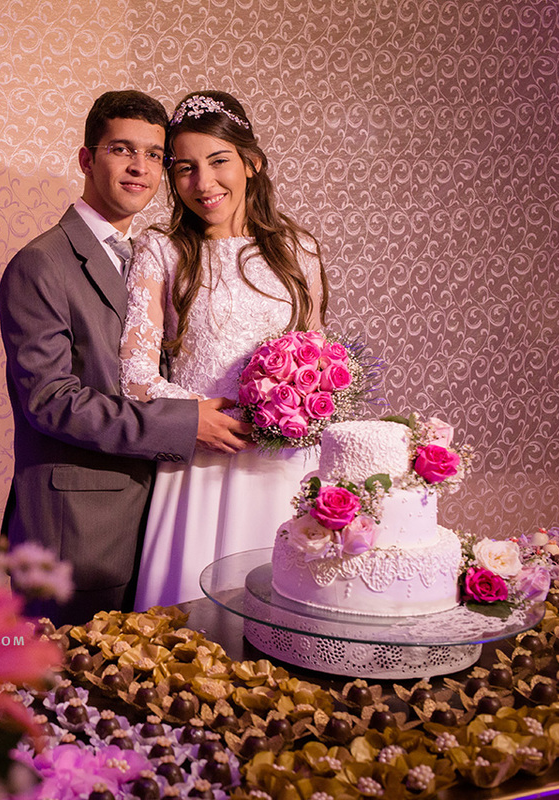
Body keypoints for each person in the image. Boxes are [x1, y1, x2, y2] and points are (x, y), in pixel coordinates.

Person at [0, 90, 250, 626]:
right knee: (64, 692)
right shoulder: (41, 263)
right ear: (87, 159)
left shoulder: (157, 256)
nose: (140, 168)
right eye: (121, 150)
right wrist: (185, 422)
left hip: (163, 512)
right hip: (80, 527)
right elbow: (52, 402)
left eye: (155, 155)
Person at [120, 90, 331, 608]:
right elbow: (135, 374)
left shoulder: (298, 250)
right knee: (193, 624)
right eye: (185, 168)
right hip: (203, 462)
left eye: (219, 162)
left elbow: (319, 354)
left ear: (251, 162)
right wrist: (200, 417)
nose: (203, 183)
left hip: (285, 465)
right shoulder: (161, 250)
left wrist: (302, 406)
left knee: (284, 613)